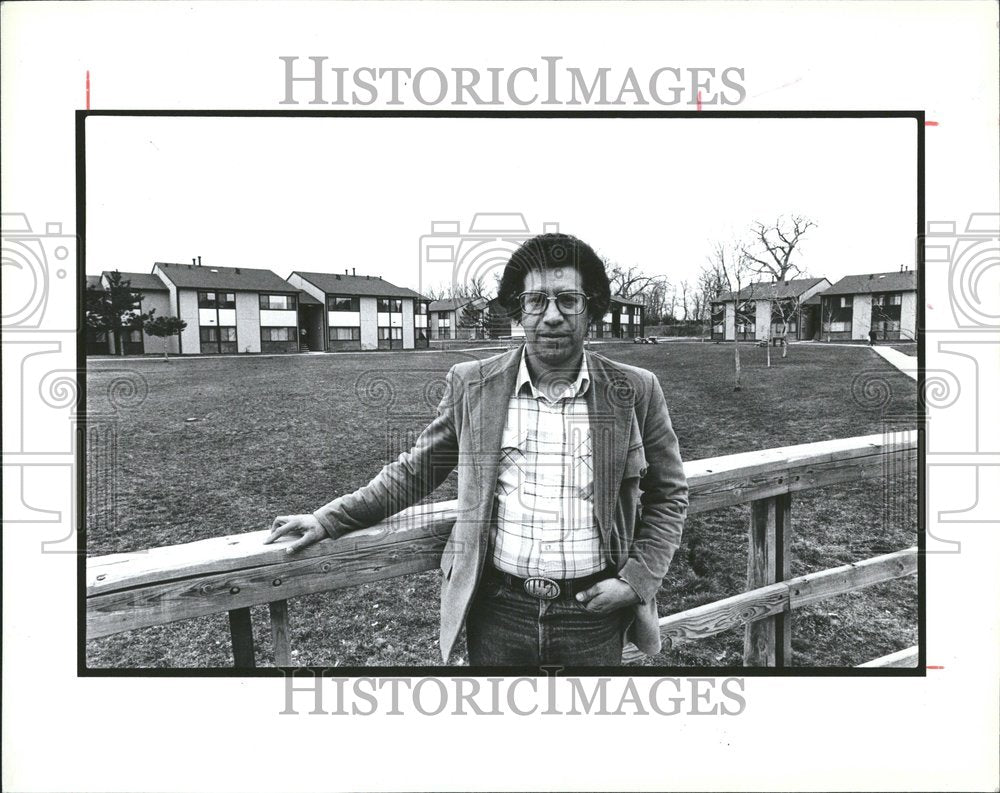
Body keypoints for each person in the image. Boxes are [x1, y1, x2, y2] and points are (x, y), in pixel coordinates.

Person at [265, 233, 688, 667]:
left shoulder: (635, 389)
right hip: (498, 610)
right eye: (536, 300)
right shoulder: (473, 384)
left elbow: (669, 494)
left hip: (594, 615)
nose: (552, 316)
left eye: (569, 300)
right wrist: (329, 519)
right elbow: (417, 470)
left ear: (592, 308)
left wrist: (636, 580)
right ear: (517, 309)